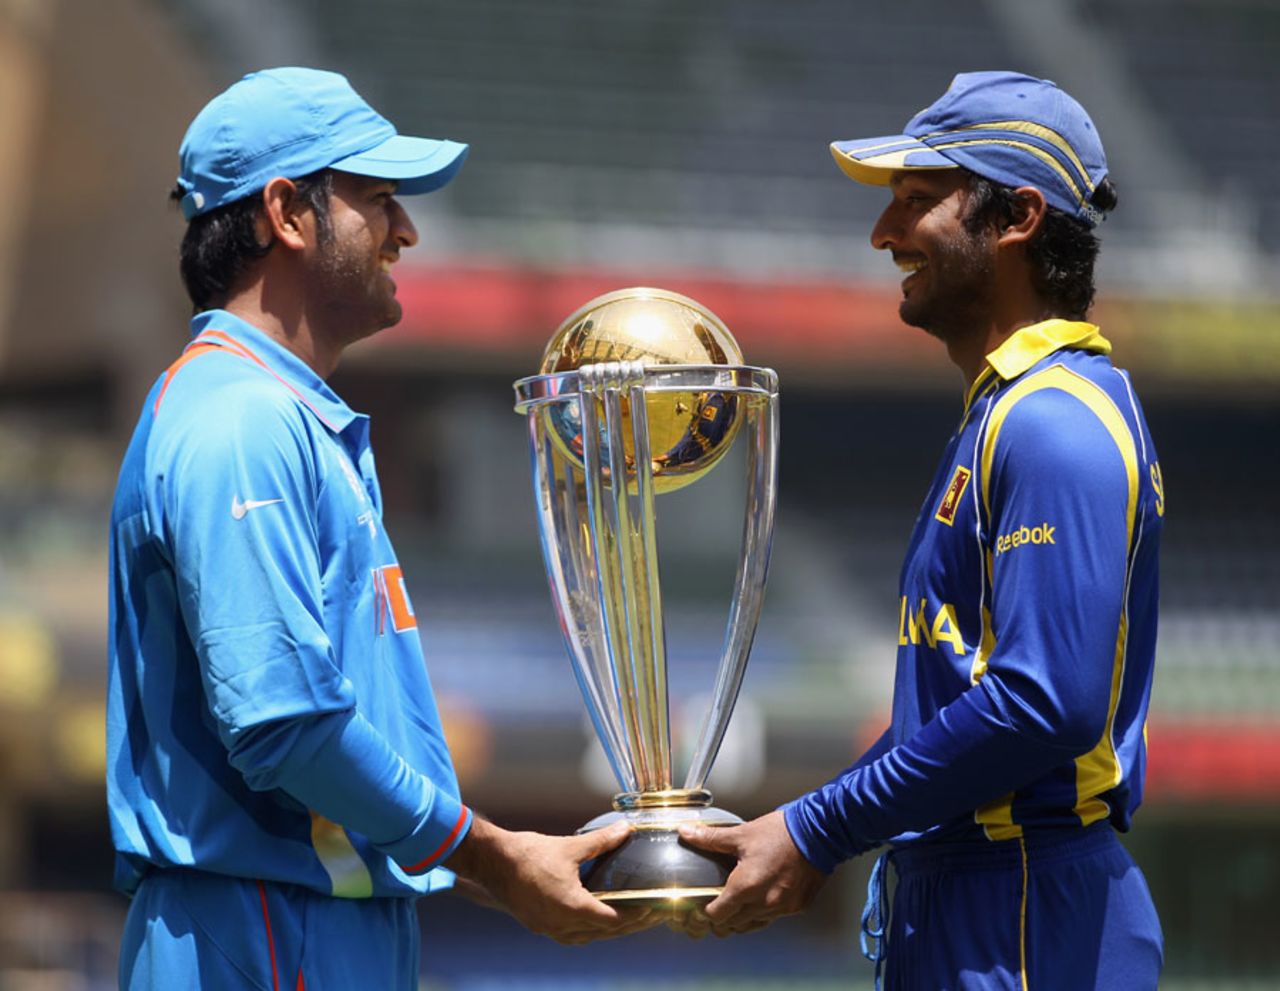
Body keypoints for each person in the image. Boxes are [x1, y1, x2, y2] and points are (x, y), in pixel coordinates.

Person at [106, 67, 650, 991]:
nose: (406, 230)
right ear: (286, 212)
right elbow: (284, 725)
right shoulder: (242, 420)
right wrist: (491, 857)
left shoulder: (280, 415)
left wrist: (506, 861)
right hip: (261, 934)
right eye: (378, 198)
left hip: (311, 924)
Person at [679, 71, 1166, 989]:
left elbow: (1043, 702)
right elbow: (945, 715)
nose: (884, 234)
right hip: (973, 899)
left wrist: (822, 825)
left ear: (1017, 216)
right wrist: (809, 828)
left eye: (916, 202)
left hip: (1026, 911)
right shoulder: (1001, 415)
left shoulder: (1054, 420)